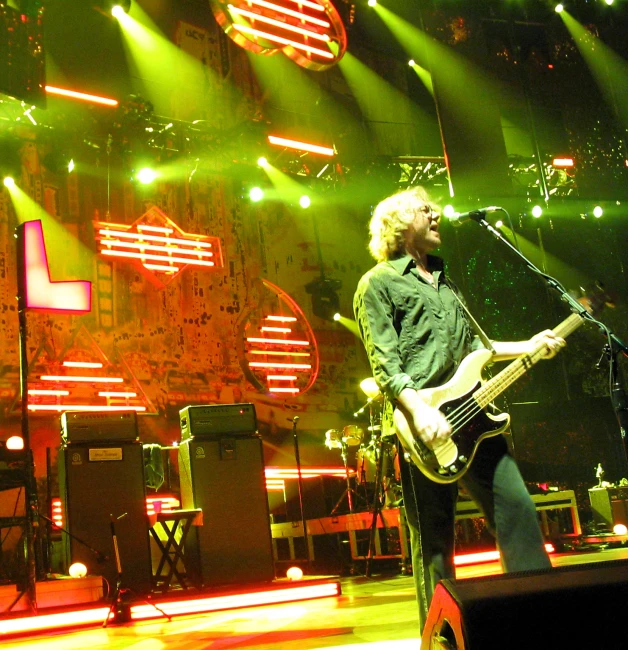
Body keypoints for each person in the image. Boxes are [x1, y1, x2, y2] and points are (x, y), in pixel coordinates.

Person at [353, 186, 565, 632]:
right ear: (396, 224)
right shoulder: (379, 282)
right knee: (434, 542)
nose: (436, 214)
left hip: (475, 420)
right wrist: (418, 411)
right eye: (424, 209)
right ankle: (445, 638)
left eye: (434, 208)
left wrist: (531, 345)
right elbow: (385, 363)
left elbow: (476, 351)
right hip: (422, 426)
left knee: (518, 511)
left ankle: (545, 619)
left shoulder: (447, 282)